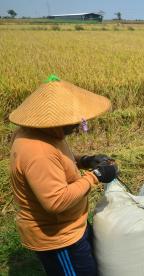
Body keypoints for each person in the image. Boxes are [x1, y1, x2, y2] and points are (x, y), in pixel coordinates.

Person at [9, 75, 118, 276]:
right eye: (73, 120)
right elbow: (56, 201)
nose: (78, 125)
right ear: (55, 121)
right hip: (59, 239)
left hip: (72, 226)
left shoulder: (42, 133)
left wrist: (84, 160)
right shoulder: (37, 152)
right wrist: (95, 175)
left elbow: (58, 160)